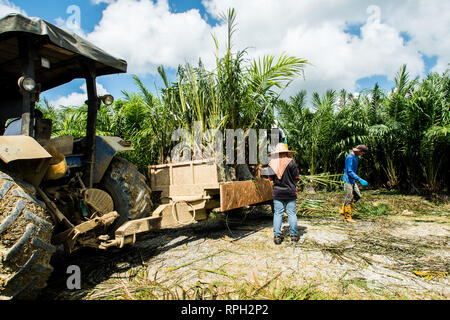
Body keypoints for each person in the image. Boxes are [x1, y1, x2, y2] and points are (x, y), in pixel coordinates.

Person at [267, 143, 300, 245]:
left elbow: (270, 179)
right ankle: (294, 236)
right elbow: (296, 178)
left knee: (278, 214)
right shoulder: (291, 163)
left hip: (278, 193)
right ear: (286, 152)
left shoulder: (272, 164)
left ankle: (277, 236)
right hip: (290, 192)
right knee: (291, 213)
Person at [340, 144, 369, 223]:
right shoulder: (350, 157)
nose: (362, 155)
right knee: (348, 198)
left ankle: (343, 209)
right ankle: (347, 217)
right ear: (359, 151)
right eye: (362, 153)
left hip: (352, 180)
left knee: (358, 196)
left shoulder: (356, 156)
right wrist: (359, 179)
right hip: (347, 180)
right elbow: (349, 171)